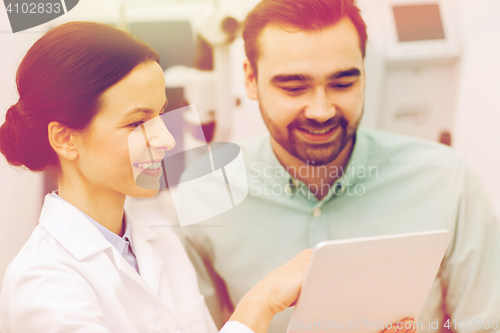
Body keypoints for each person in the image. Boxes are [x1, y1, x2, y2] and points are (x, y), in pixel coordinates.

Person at [174, 0, 500, 332]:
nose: (321, 110)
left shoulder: (447, 181)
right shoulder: (205, 191)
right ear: (250, 79)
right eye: (293, 87)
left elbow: (486, 325)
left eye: (343, 84)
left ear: (364, 73)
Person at [0, 21, 319, 333]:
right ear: (65, 139)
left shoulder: (161, 244)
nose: (166, 139)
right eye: (137, 122)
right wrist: (260, 304)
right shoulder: (43, 282)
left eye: (161, 114)